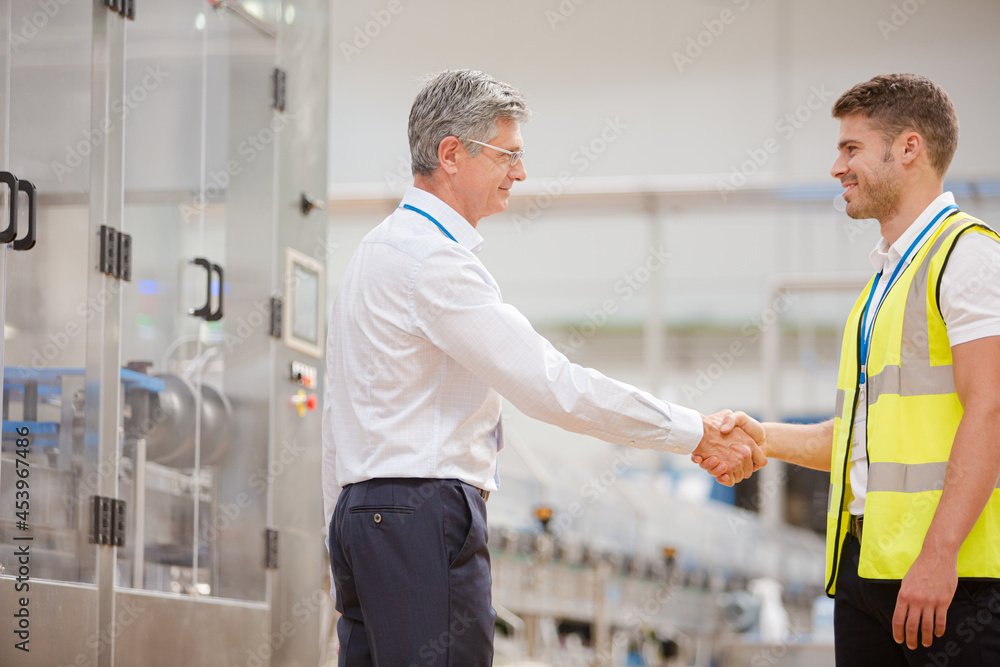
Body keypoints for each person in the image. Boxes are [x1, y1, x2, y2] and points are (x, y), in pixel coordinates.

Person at [322, 69, 765, 666]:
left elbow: (335, 419)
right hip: (421, 515)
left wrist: (343, 536)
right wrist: (692, 431)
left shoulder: (374, 253)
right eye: (508, 155)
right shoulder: (433, 262)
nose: (521, 173)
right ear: (451, 154)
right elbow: (553, 387)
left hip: (363, 519)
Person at [697, 73, 1000, 665]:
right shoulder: (882, 287)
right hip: (869, 574)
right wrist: (760, 436)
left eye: (851, 148)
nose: (837, 166)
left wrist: (939, 555)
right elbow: (858, 442)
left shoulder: (968, 259)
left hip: (951, 580)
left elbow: (991, 408)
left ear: (909, 147)